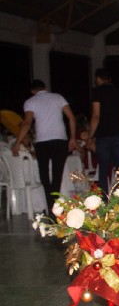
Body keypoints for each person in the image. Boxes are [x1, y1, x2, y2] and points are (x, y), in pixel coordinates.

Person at [12, 79, 76, 212]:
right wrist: (73, 138)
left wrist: (17, 143)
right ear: (45, 88)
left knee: (44, 175)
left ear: (32, 91)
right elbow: (71, 117)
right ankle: (55, 206)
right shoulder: (58, 97)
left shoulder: (30, 101)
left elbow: (27, 123)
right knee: (57, 175)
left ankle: (51, 205)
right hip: (59, 140)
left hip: (42, 141)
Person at [86, 68, 119, 196]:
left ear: (98, 78)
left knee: (103, 169)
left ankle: (104, 197)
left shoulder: (97, 92)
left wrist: (90, 136)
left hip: (103, 135)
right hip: (117, 134)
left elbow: (96, 116)